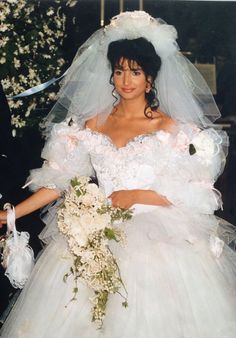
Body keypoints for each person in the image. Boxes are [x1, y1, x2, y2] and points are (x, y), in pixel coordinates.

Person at [0, 11, 236, 338]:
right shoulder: (91, 125)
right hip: (96, 233)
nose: (126, 80)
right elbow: (59, 179)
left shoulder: (171, 130)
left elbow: (195, 194)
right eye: (120, 70)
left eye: (135, 72)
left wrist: (137, 196)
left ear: (150, 79)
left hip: (158, 238)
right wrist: (11, 214)